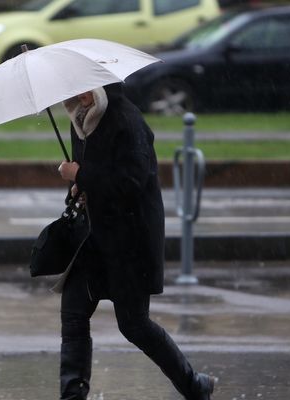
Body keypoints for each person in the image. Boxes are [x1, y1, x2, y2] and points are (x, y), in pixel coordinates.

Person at [56, 83, 216, 400]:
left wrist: (81, 176)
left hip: (129, 242)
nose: (82, 95)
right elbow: (92, 176)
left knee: (134, 324)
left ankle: (194, 385)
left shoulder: (126, 120)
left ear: (101, 87)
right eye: (77, 89)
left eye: (88, 88)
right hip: (94, 238)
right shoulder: (79, 119)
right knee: (73, 316)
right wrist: (78, 188)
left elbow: (130, 183)